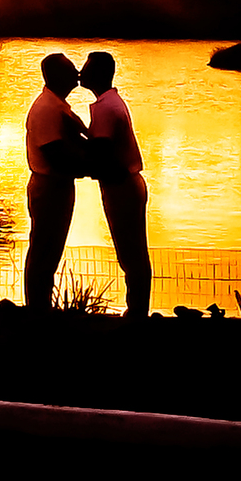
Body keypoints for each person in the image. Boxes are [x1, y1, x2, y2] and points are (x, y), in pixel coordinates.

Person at [79, 51, 152, 318]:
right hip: (124, 184)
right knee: (132, 252)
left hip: (122, 186)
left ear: (98, 73)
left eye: (85, 68)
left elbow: (101, 150)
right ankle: (137, 309)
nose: (80, 72)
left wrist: (76, 144)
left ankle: (137, 313)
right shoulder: (109, 103)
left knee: (131, 253)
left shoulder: (106, 108)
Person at [23, 52, 88, 310]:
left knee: (48, 248)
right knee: (45, 249)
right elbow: (55, 152)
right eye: (72, 68)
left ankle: (40, 306)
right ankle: (38, 308)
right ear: (59, 76)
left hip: (54, 184)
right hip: (50, 186)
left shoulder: (54, 105)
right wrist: (90, 165)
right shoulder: (48, 108)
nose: (78, 72)